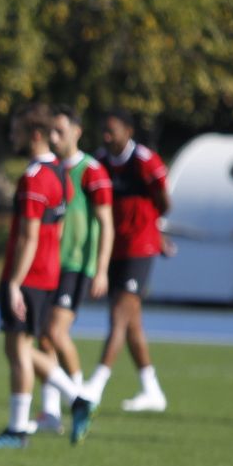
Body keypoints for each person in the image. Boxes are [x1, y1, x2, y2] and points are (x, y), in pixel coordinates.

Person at [0, 103, 95, 448]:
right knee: (22, 348)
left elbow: (29, 235)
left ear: (34, 135)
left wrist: (14, 282)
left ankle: (18, 430)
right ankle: (77, 398)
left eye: (15, 130)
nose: (11, 136)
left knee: (18, 351)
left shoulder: (33, 178)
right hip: (48, 274)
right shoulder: (60, 172)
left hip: (27, 277)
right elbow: (55, 229)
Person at [82, 111, 171, 413]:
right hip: (115, 247)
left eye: (112, 131)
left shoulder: (144, 161)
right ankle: (152, 390)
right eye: (103, 132)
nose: (107, 137)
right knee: (132, 323)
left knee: (119, 316)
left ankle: (95, 386)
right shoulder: (100, 162)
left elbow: (163, 199)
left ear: (128, 131)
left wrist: (155, 228)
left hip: (141, 246)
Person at [36, 105, 114, 433]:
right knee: (44, 340)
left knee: (56, 333)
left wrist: (101, 269)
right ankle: (51, 414)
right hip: (50, 265)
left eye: (60, 132)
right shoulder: (51, 170)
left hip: (76, 265)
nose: (54, 138)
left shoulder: (91, 171)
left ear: (77, 132)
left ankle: (81, 398)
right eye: (50, 132)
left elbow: (106, 223)